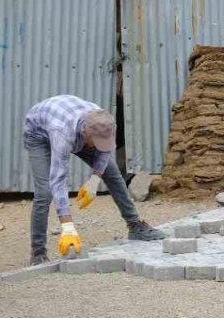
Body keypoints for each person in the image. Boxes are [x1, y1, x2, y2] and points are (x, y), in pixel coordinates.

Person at [23, 95, 165, 265]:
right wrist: (67, 227)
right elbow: (58, 179)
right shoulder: (63, 134)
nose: (100, 146)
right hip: (38, 134)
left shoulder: (104, 123)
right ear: (85, 133)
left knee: (112, 173)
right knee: (45, 191)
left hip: (71, 126)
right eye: (96, 142)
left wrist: (95, 179)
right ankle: (38, 253)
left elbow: (105, 151)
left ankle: (135, 226)